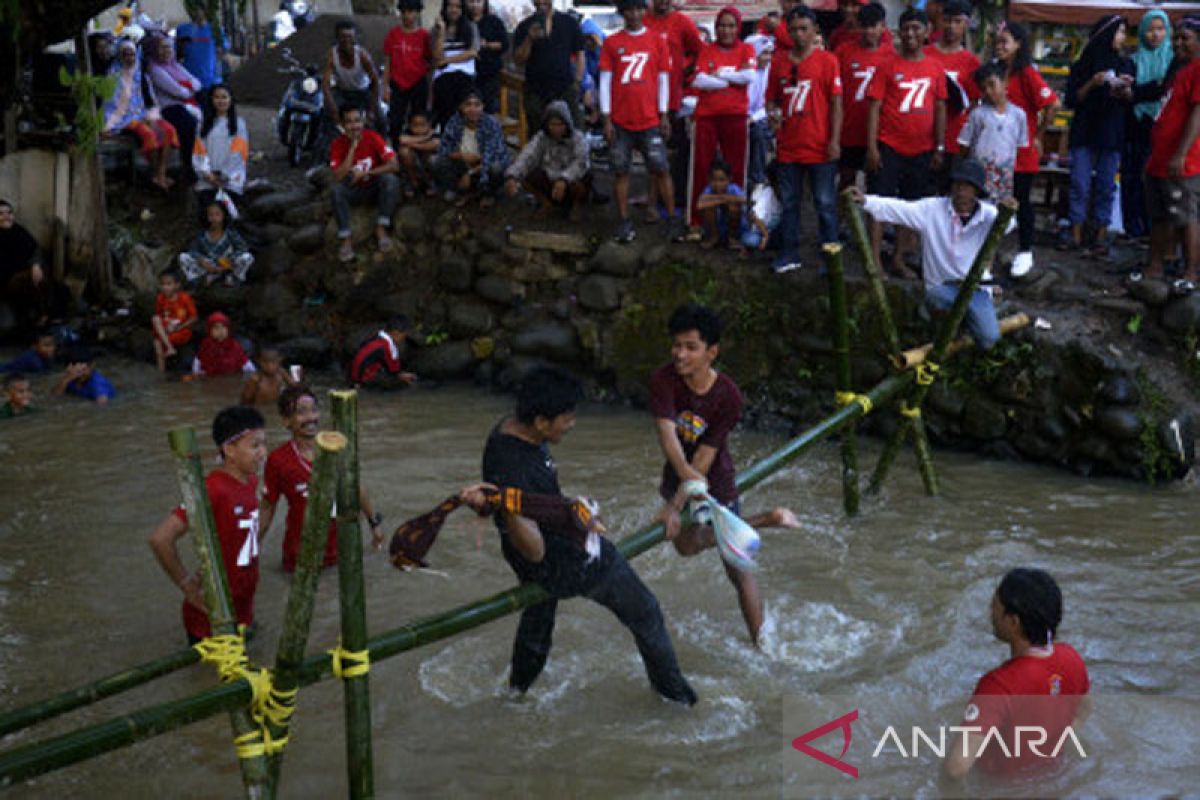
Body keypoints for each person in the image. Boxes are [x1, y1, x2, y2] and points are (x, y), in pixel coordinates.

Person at [472, 365, 697, 704]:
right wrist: (513, 508)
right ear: (541, 422)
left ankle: (515, 695)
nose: (572, 423)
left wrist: (562, 508)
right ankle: (678, 700)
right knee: (646, 612)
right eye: (567, 417)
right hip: (566, 561)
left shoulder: (509, 429)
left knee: (538, 618)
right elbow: (534, 550)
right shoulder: (517, 470)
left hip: (529, 552)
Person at [651, 305, 799, 646]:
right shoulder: (663, 380)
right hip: (678, 475)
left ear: (712, 352)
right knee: (687, 547)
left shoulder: (728, 395)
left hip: (716, 482)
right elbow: (668, 438)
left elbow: (705, 458)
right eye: (676, 345)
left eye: (691, 347)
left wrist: (675, 505)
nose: (680, 354)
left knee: (739, 569)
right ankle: (762, 520)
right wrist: (677, 499)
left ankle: (763, 648)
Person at [849, 158, 1013, 351]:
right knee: (936, 301)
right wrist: (866, 200)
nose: (961, 191)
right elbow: (900, 208)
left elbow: (1009, 224)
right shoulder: (933, 209)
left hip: (975, 288)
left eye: (967, 187)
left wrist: (1007, 209)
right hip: (942, 286)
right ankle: (957, 322)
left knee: (989, 339)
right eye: (958, 185)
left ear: (976, 191)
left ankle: (970, 321)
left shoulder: (989, 215)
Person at [942, 568, 1091, 780]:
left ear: (1013, 622)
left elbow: (956, 768)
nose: (990, 614)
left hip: (999, 786)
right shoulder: (1072, 659)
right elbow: (1085, 708)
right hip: (1049, 776)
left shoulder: (998, 685)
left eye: (995, 607)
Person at [149, 406, 267, 644]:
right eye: (255, 445)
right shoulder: (212, 489)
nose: (263, 452)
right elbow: (160, 539)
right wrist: (187, 585)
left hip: (242, 608)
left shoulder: (251, 480)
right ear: (229, 450)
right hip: (211, 618)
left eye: (264, 444)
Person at [260, 386, 385, 573]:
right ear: (286, 421)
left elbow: (355, 485)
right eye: (301, 412)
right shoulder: (278, 460)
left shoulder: (335, 447)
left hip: (341, 551)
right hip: (300, 556)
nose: (310, 418)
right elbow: (268, 506)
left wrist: (374, 524)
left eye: (314, 410)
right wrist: (253, 546)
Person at [866, 7, 947, 279]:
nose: (911, 34)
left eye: (916, 28)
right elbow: (875, 107)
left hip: (922, 149)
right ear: (898, 33)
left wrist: (939, 146)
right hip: (889, 145)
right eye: (906, 28)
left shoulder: (935, 67)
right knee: (879, 203)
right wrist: (872, 146)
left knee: (911, 207)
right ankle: (874, 261)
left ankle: (899, 259)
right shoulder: (886, 65)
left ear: (927, 32)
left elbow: (940, 107)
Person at [766, 6, 843, 273]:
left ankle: (830, 257)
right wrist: (773, 115)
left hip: (820, 146)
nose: (799, 34)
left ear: (814, 31)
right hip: (789, 146)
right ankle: (789, 253)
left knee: (825, 203)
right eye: (794, 29)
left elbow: (836, 104)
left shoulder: (828, 61)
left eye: (804, 29)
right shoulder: (779, 62)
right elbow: (771, 99)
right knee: (789, 203)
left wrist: (834, 140)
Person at [600, 0, 676, 244]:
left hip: (650, 119)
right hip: (620, 120)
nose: (633, 14)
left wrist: (664, 114)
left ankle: (672, 219)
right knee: (621, 171)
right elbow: (605, 82)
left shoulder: (657, 40)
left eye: (638, 9)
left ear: (645, 11)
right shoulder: (612, 42)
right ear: (622, 13)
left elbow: (663, 79)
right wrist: (606, 118)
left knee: (661, 168)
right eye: (628, 10)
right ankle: (624, 220)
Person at [1062, 15, 1135, 260]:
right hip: (1084, 131)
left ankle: (1101, 235)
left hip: (1111, 133)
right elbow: (1072, 99)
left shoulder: (1125, 64)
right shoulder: (1082, 66)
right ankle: (1075, 232)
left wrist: (1124, 89)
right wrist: (1092, 83)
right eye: (1119, 32)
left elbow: (1130, 100)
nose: (1122, 37)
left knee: (1106, 185)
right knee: (1079, 184)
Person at [994, 21, 1060, 278]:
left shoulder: (1027, 74)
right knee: (997, 199)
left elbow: (1052, 104)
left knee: (1021, 200)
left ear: (1018, 44)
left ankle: (1025, 251)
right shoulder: (998, 71)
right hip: (997, 149)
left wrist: (1037, 135)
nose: (1000, 47)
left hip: (1021, 151)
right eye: (998, 42)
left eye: (1005, 42)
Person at [1143, 16, 1200, 294]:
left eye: (1185, 38)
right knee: (1160, 215)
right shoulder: (1179, 71)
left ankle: (1190, 272)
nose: (1178, 43)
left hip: (1182, 160)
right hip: (1160, 157)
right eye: (1175, 38)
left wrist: (1181, 153)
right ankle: (1155, 265)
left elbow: (1198, 114)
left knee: (1184, 215)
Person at [687, 6, 756, 232]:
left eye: (731, 26)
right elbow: (698, 80)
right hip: (707, 116)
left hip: (735, 116)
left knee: (736, 168)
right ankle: (697, 219)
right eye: (722, 26)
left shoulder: (746, 49)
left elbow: (749, 76)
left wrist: (721, 75)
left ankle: (734, 222)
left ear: (738, 28)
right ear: (716, 28)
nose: (726, 30)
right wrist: (731, 81)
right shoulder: (707, 50)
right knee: (702, 166)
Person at [645, 0, 703, 209]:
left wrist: (685, 71)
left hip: (670, 98)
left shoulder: (682, 22)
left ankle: (663, 202)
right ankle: (654, 199)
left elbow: (701, 51)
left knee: (665, 150)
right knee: (648, 149)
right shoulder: (643, 20)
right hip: (644, 96)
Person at [1123, 11, 1174, 243]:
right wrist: (1150, 89)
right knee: (1133, 178)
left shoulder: (1174, 60)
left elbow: (1166, 88)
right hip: (1136, 128)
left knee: (1158, 181)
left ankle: (1157, 231)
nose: (1155, 34)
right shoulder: (1133, 61)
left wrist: (1138, 92)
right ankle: (1134, 229)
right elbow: (1127, 93)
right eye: (1150, 29)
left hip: (1165, 129)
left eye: (1160, 29)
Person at [329, 104, 402, 263]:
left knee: (391, 180)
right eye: (349, 122)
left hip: (373, 187)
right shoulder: (337, 144)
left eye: (357, 121)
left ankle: (381, 228)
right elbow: (338, 176)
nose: (354, 126)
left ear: (363, 122)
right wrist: (352, 148)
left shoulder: (373, 137)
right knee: (336, 190)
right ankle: (346, 239)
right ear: (342, 125)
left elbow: (394, 165)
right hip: (353, 190)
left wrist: (367, 173)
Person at [103, 39, 178, 191]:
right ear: (119, 56)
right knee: (148, 134)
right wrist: (109, 125)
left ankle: (161, 173)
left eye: (132, 54)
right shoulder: (112, 76)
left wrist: (151, 117)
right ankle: (157, 175)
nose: (129, 58)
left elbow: (151, 99)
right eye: (125, 55)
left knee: (169, 130)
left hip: (145, 114)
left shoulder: (142, 74)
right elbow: (111, 104)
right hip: (123, 118)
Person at [835, 2, 891, 191]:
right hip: (849, 130)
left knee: (875, 184)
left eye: (873, 26)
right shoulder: (843, 52)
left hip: (879, 133)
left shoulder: (891, 55)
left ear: (883, 26)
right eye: (865, 26)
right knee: (846, 181)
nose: (869, 32)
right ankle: (842, 211)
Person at [504, 100, 592, 221]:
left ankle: (577, 206)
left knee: (586, 176)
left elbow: (581, 161)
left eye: (560, 124)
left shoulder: (578, 138)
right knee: (529, 175)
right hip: (550, 178)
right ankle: (545, 204)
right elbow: (527, 156)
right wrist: (512, 175)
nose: (556, 128)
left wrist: (564, 179)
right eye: (553, 124)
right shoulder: (541, 138)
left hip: (571, 180)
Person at [924, 0, 979, 188]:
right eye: (947, 20)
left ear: (966, 24)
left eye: (957, 22)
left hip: (955, 140)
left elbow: (974, 102)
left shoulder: (972, 62)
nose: (951, 27)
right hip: (923, 138)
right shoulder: (925, 53)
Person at [958, 62, 1027, 202]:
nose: (989, 91)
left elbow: (1019, 146)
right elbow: (964, 145)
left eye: (992, 85)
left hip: (1004, 174)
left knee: (1001, 207)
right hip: (980, 172)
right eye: (984, 88)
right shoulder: (977, 114)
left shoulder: (1018, 115)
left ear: (1004, 82)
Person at [512, 0, 586, 132]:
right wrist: (529, 39)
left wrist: (577, 82)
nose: (541, 2)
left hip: (565, 89)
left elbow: (580, 53)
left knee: (571, 132)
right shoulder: (525, 26)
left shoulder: (569, 22)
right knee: (537, 133)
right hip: (536, 91)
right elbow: (518, 60)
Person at [432, 90, 509, 206]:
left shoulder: (491, 124)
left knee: (496, 168)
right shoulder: (454, 122)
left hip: (483, 166)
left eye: (477, 105)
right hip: (462, 164)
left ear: (483, 107)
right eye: (468, 105)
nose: (473, 109)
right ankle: (458, 190)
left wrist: (470, 172)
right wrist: (460, 156)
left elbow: (492, 155)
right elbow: (444, 148)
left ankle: (488, 193)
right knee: (435, 161)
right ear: (461, 107)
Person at [144, 32, 202, 181]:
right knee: (188, 123)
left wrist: (189, 88)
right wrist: (189, 89)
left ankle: (200, 162)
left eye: (169, 47)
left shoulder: (175, 65)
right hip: (167, 108)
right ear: (154, 50)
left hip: (183, 104)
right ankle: (187, 165)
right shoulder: (154, 69)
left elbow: (197, 82)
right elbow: (178, 91)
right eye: (162, 47)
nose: (167, 51)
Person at [383, 0, 432, 144]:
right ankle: (396, 149)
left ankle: (417, 148)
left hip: (418, 82)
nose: (406, 16)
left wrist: (430, 90)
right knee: (395, 119)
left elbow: (430, 62)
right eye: (403, 12)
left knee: (418, 119)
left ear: (417, 13)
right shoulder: (393, 34)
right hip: (397, 83)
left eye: (410, 12)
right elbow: (387, 62)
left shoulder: (424, 35)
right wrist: (384, 86)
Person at [193, 85, 249, 210]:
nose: (221, 101)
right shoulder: (203, 124)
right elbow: (199, 152)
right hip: (207, 180)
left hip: (231, 181)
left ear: (230, 99)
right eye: (217, 97)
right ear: (211, 100)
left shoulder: (239, 124)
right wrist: (208, 174)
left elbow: (239, 154)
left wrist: (224, 176)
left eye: (224, 97)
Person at [322, 21, 384, 130]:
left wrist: (372, 109)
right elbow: (326, 84)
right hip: (342, 91)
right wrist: (333, 108)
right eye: (343, 37)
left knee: (380, 118)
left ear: (355, 38)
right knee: (325, 115)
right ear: (337, 38)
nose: (347, 41)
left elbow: (375, 81)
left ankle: (383, 139)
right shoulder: (332, 54)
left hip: (362, 91)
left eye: (350, 37)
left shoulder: (362, 55)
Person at [179, 201, 255, 286]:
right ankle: (203, 278)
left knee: (247, 257)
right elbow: (193, 250)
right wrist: (201, 260)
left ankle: (231, 277)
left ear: (224, 215)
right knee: (183, 257)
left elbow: (242, 248)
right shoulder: (202, 234)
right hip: (209, 264)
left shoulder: (230, 233)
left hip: (226, 263)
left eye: (217, 214)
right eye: (211, 215)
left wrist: (229, 260)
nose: (214, 218)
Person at [431, 0, 480, 129]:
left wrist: (447, 60)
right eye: (450, 6)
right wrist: (441, 32)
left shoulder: (471, 27)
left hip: (465, 76)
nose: (454, 10)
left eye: (458, 7)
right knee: (445, 106)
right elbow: (437, 57)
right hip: (443, 76)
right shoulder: (436, 29)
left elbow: (472, 52)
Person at [348, 316, 418, 388]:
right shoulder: (386, 346)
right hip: (363, 378)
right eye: (403, 336)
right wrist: (404, 377)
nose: (403, 339)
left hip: (354, 373)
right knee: (399, 383)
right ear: (396, 333)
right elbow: (394, 372)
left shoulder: (378, 337)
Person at [152, 267, 198, 373]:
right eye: (163, 284)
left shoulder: (184, 298)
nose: (165, 288)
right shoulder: (160, 298)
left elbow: (194, 317)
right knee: (155, 319)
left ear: (177, 285)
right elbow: (160, 316)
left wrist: (179, 327)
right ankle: (162, 370)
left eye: (169, 284)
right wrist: (167, 326)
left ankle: (161, 370)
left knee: (158, 342)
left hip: (181, 329)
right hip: (167, 328)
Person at [467, 0, 509, 115]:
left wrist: (487, 45)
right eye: (471, 1)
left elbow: (504, 44)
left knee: (488, 109)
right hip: (466, 74)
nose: (475, 5)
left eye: (478, 1)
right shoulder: (463, 22)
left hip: (489, 74)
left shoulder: (494, 21)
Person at [745, 35, 775, 190]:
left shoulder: (770, 72)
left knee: (759, 132)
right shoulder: (744, 70)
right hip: (740, 114)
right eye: (764, 53)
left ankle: (757, 179)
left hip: (761, 117)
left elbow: (769, 104)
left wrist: (753, 118)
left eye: (770, 53)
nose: (768, 58)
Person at [696, 159, 747, 249]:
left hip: (734, 228)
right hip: (715, 228)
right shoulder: (708, 190)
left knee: (734, 208)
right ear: (709, 180)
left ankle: (732, 238)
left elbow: (745, 201)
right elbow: (699, 205)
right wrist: (724, 199)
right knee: (708, 207)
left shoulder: (734, 189)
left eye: (722, 180)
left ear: (729, 179)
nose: (718, 184)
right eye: (714, 180)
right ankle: (714, 237)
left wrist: (719, 199)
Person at [175, 2, 224, 93]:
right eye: (193, 9)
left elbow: (221, 52)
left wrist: (217, 76)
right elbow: (177, 54)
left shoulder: (216, 30)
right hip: (189, 80)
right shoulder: (182, 29)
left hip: (210, 80)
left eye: (199, 9)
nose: (197, 12)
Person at [193, 311, 255, 377]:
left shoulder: (234, 345)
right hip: (210, 379)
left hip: (231, 378)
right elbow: (197, 365)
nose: (221, 331)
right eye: (216, 328)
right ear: (210, 331)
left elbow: (246, 364)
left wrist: (252, 375)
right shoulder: (206, 346)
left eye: (224, 327)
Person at [741, 160, 782, 252]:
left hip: (776, 230)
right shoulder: (767, 194)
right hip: (761, 231)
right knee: (751, 241)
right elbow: (754, 215)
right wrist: (765, 235)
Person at [397, 110, 440, 197]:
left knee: (433, 158)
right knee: (404, 151)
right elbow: (402, 140)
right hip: (412, 167)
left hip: (427, 166)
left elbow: (434, 144)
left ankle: (430, 182)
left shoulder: (434, 132)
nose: (419, 128)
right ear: (410, 125)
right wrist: (426, 137)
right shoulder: (407, 132)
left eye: (422, 125)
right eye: (415, 125)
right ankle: (412, 182)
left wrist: (412, 144)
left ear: (429, 125)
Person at [827, 0, 893, 53]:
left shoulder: (879, 33)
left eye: (855, 5)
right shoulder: (837, 33)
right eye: (845, 4)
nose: (848, 9)